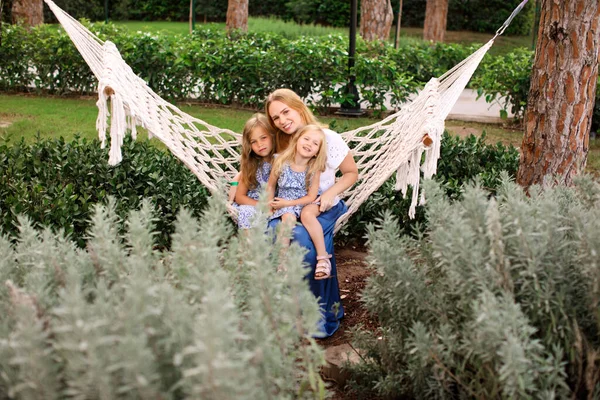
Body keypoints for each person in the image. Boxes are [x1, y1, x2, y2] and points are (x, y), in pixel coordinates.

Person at [265, 88, 359, 337]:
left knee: (305, 244)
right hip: (289, 208)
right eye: (276, 118)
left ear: (298, 106)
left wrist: (328, 194)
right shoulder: (283, 146)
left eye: (286, 111)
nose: (283, 120)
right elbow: (260, 171)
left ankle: (317, 317)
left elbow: (351, 173)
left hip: (322, 206)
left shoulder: (327, 137)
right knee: (277, 234)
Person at [267, 125, 333, 280]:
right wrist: (269, 204)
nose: (309, 144)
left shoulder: (314, 168)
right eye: (306, 139)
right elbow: (271, 185)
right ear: (297, 140)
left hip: (304, 202)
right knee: (288, 219)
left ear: (318, 151)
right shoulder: (281, 161)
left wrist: (288, 203)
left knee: (308, 216)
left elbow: (311, 197)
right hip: (285, 203)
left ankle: (323, 258)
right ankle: (281, 263)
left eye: (315, 143)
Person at [233, 113, 275, 230]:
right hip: (254, 204)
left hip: (276, 206)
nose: (260, 144)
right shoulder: (252, 164)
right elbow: (240, 197)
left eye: (263, 138)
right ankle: (249, 247)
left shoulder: (281, 161)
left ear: (272, 136)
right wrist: (262, 206)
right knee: (248, 212)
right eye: (254, 141)